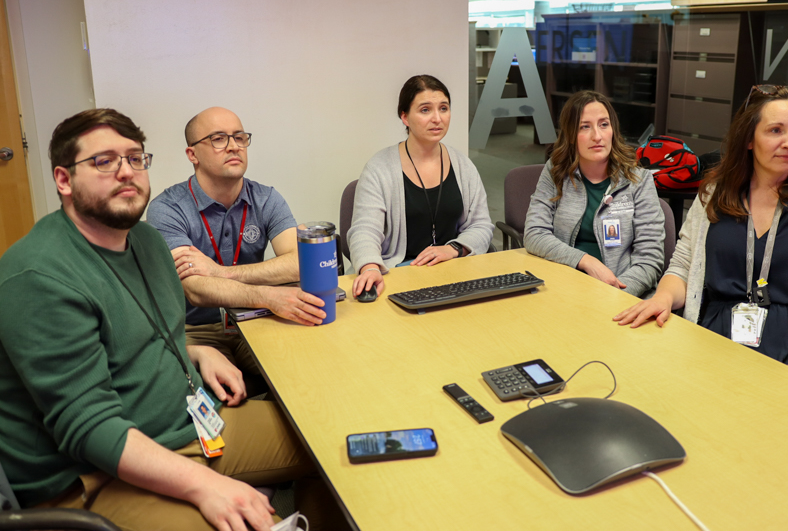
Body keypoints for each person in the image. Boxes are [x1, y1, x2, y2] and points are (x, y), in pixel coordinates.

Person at [0, 109, 342, 531]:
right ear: (64, 180)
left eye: (135, 158)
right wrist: (202, 484)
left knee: (337, 445)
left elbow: (136, 332)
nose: (126, 172)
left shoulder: (144, 241)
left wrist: (193, 351)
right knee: (252, 522)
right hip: (96, 472)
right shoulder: (38, 276)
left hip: (189, 421)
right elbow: (88, 427)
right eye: (104, 161)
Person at [614, 85, 788, 397]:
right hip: (715, 338)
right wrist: (663, 298)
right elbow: (682, 266)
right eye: (776, 130)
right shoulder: (712, 196)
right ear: (749, 139)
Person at [147, 107, 325, 391]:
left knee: (313, 373)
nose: (233, 146)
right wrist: (268, 295)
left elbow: (301, 263)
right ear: (192, 154)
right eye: (218, 138)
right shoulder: (167, 208)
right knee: (220, 400)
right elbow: (195, 289)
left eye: (239, 137)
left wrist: (220, 273)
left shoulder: (266, 198)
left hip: (257, 319)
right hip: (196, 332)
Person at [347, 74, 493, 298]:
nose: (437, 118)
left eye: (443, 108)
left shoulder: (463, 165)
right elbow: (364, 230)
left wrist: (453, 249)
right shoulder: (379, 168)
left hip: (452, 274)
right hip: (397, 275)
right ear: (405, 117)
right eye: (425, 110)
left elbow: (482, 225)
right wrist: (369, 267)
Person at [523, 91, 665, 298]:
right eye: (584, 127)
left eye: (603, 124)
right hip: (565, 288)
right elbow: (535, 233)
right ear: (571, 135)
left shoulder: (639, 180)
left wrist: (614, 294)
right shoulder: (555, 172)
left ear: (613, 130)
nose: (597, 136)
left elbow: (650, 260)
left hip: (623, 292)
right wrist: (586, 261)